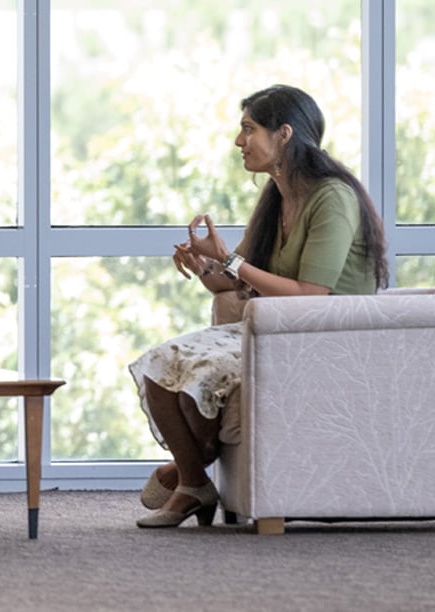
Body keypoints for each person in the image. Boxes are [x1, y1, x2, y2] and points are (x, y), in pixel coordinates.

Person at [128, 84, 388, 528]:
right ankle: (193, 483)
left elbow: (310, 297)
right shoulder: (276, 197)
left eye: (249, 129)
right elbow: (229, 281)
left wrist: (230, 259)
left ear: (284, 134)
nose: (238, 141)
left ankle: (185, 477)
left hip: (322, 341)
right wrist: (206, 261)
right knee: (159, 370)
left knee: (190, 378)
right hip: (274, 332)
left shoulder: (333, 198)